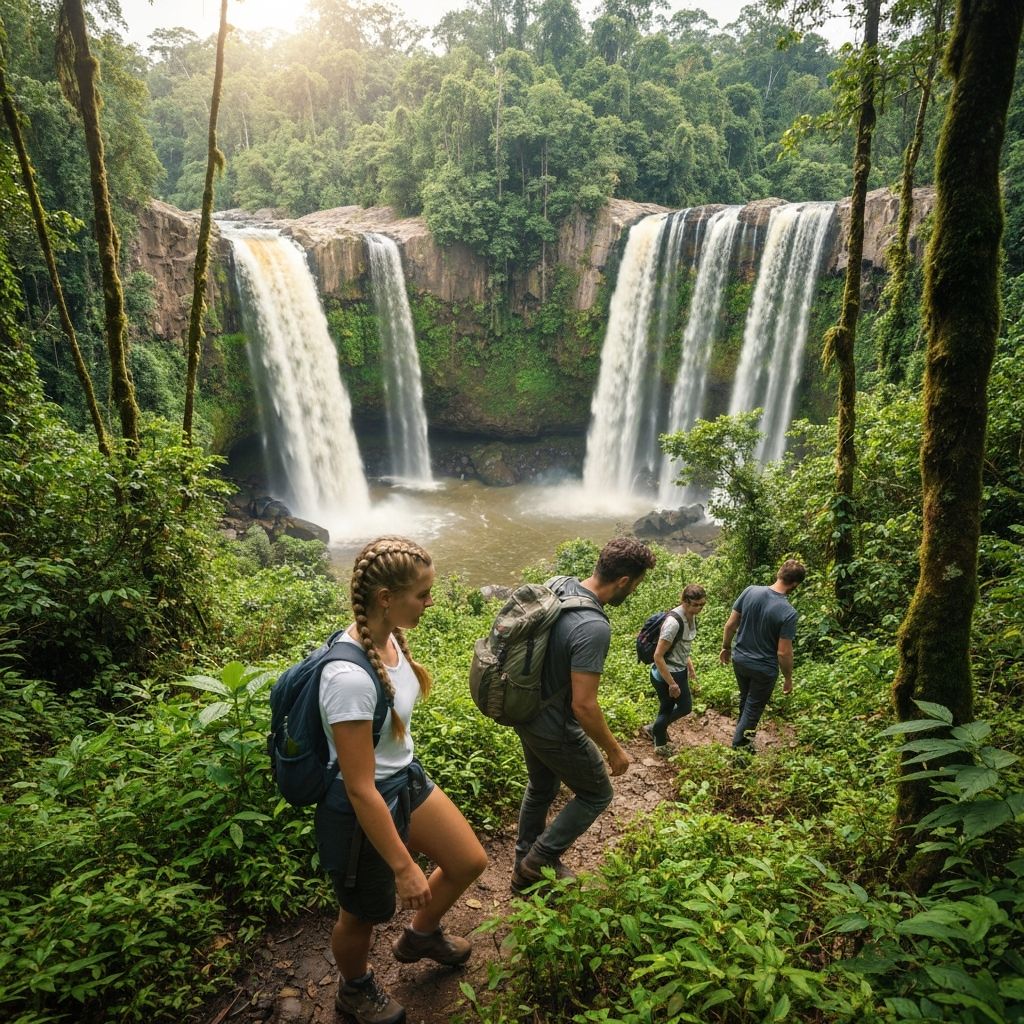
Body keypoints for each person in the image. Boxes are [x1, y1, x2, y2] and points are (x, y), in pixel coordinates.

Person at [315, 536, 487, 1024]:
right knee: (362, 914)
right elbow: (358, 786)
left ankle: (421, 935)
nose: (431, 602)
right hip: (365, 805)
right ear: (386, 597)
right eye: (423, 594)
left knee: (468, 861)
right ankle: (354, 989)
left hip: (406, 779)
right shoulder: (347, 679)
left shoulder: (388, 636)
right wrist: (403, 865)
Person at [511, 537, 656, 894]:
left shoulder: (559, 583)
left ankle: (521, 866)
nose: (633, 592)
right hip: (553, 724)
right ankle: (539, 859)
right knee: (597, 794)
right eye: (636, 585)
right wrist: (614, 750)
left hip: (524, 708)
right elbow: (584, 705)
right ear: (623, 581)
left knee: (542, 785)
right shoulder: (593, 626)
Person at [719, 559, 807, 751]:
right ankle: (739, 748)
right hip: (763, 668)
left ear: (779, 573)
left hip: (740, 660)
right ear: (795, 584)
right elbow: (783, 652)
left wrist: (726, 647)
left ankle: (745, 740)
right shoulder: (788, 612)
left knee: (746, 700)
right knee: (753, 707)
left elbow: (730, 625)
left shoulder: (750, 591)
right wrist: (788, 677)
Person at [641, 584, 707, 756]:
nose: (699, 608)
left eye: (702, 605)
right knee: (685, 706)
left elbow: (682, 646)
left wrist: (689, 667)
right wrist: (671, 683)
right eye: (695, 605)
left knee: (667, 707)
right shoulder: (673, 623)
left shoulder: (690, 615)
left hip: (678, 669)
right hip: (667, 672)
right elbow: (658, 656)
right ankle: (657, 730)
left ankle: (659, 739)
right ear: (685, 601)